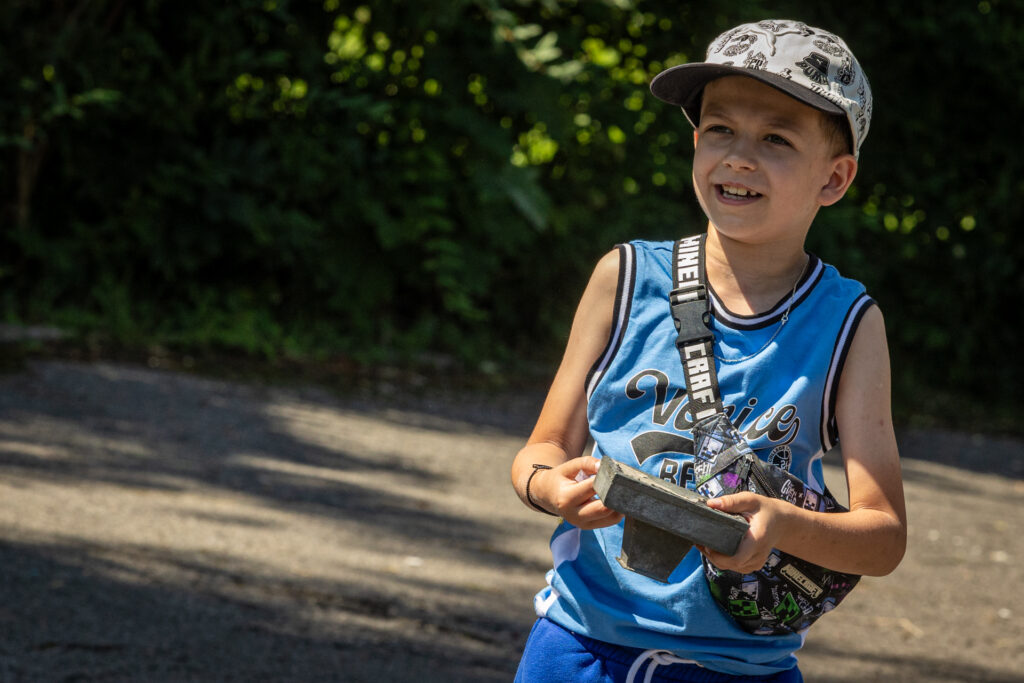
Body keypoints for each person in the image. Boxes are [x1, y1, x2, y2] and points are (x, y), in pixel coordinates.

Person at [509, 20, 907, 683]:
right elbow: (540, 449)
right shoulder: (624, 277)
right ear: (695, 143)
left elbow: (884, 535)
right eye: (720, 129)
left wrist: (778, 524)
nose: (739, 156)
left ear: (834, 179)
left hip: (740, 670)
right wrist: (552, 486)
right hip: (574, 649)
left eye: (776, 138)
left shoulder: (849, 323)